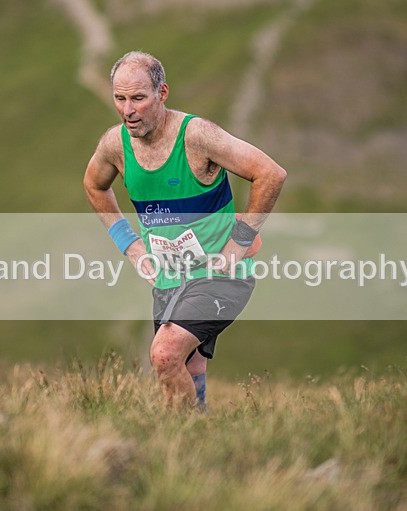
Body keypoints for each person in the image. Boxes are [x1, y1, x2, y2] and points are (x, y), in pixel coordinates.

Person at [83, 51, 286, 408]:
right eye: (120, 98)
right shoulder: (116, 144)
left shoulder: (197, 137)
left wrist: (240, 242)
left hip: (221, 275)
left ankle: (178, 432)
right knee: (187, 365)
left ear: (162, 93)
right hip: (169, 278)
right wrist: (129, 245)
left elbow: (270, 174)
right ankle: (198, 429)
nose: (128, 110)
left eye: (138, 98)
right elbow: (94, 186)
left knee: (164, 354)